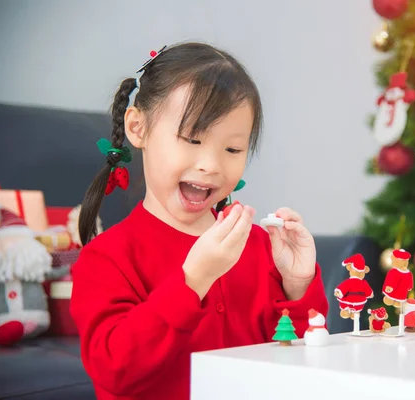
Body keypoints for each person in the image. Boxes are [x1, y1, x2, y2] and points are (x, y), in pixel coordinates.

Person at [69, 42, 329, 400]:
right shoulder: (107, 258)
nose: (211, 164)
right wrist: (194, 281)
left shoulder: (257, 247)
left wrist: (297, 286)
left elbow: (299, 368)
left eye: (233, 149)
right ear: (138, 127)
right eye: (192, 139)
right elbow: (115, 370)